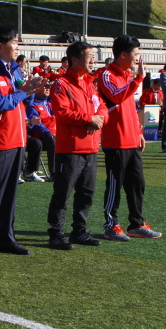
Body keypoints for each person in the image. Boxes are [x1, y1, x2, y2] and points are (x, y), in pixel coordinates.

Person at [0, 26, 45, 260]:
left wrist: (33, 91)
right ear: (0, 46)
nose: (18, 46)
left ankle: (7, 238)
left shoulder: (13, 69)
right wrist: (24, 92)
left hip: (17, 138)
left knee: (10, 193)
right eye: (14, 42)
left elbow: (22, 99)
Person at [96, 35, 161, 241]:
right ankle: (111, 225)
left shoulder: (126, 75)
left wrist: (139, 131)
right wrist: (138, 79)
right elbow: (116, 96)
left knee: (137, 183)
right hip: (116, 141)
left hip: (132, 139)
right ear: (123, 54)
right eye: (136, 54)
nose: (138, 58)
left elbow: (129, 108)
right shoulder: (107, 75)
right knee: (115, 185)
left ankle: (137, 223)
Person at [47, 41, 107, 250]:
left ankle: (79, 231)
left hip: (90, 148)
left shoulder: (90, 84)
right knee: (62, 194)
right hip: (70, 149)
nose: (93, 60)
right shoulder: (61, 84)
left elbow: (104, 108)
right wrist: (89, 118)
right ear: (74, 59)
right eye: (89, 56)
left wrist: (97, 118)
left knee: (86, 194)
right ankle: (55, 234)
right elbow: (62, 113)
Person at [24, 81, 56, 182]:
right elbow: (35, 124)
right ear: (36, 88)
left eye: (49, 87)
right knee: (52, 140)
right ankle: (54, 173)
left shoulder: (51, 103)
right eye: (45, 87)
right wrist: (48, 132)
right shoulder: (32, 105)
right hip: (41, 136)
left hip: (55, 133)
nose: (47, 89)